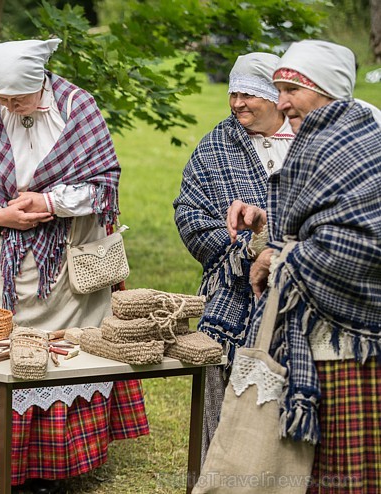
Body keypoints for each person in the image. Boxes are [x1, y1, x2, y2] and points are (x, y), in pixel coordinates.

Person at [0, 38, 149, 493]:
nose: (11, 106)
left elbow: (103, 187)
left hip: (67, 261)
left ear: (41, 83)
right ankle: (7, 456)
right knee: (3, 347)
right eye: (4, 97)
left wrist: (50, 200)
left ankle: (65, 459)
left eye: (20, 97)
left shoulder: (79, 110)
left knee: (66, 350)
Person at [227, 40, 380, 492]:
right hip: (313, 336)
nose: (282, 101)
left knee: (346, 474)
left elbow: (361, 247)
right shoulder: (325, 137)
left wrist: (280, 257)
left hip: (348, 347)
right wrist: (268, 233)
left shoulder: (355, 145)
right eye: (278, 88)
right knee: (305, 472)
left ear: (327, 90)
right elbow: (318, 222)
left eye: (292, 87)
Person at [173, 52, 294, 463]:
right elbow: (190, 214)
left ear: (275, 97)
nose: (238, 102)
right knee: (223, 394)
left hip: (300, 293)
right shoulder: (215, 146)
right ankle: (217, 475)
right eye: (233, 93)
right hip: (233, 293)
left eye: (249, 94)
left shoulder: (306, 139)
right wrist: (246, 251)